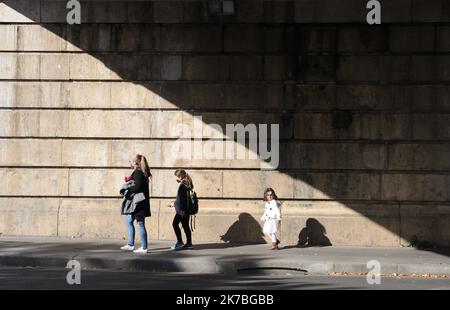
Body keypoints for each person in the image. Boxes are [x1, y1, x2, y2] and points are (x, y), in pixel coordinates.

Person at [120, 154, 152, 254]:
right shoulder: (140, 172)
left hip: (139, 204)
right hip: (137, 203)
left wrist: (127, 189)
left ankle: (144, 247)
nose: (130, 162)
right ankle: (130, 244)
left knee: (140, 224)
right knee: (129, 220)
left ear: (136, 163)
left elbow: (137, 187)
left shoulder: (138, 172)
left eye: (131, 161)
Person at [168, 169, 194, 250]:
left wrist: (174, 204)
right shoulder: (188, 184)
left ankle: (179, 242)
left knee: (175, 224)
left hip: (181, 210)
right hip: (187, 209)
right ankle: (189, 243)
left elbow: (182, 199)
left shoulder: (183, 186)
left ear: (180, 176)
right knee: (186, 226)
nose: (176, 178)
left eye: (177, 176)